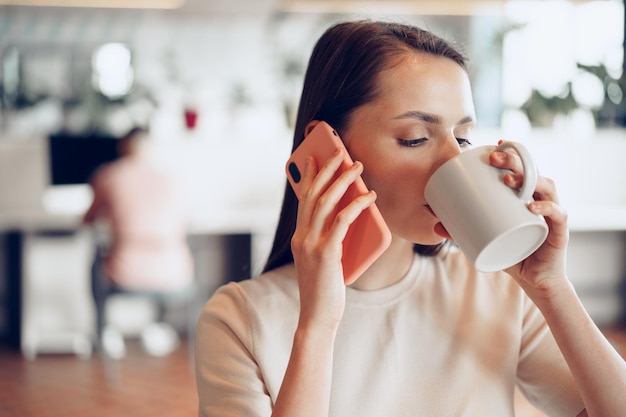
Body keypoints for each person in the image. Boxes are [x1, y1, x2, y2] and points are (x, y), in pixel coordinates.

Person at [194, 20, 626, 416]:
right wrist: (318, 325)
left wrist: (553, 289)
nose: (453, 160)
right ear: (328, 153)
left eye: (462, 137)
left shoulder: (497, 289)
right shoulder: (239, 321)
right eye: (415, 138)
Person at [84, 127, 194, 357]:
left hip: (126, 270)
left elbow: (89, 219)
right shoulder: (172, 179)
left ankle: (103, 331)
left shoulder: (109, 175)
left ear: (123, 146)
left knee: (94, 262)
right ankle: (158, 327)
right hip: (175, 271)